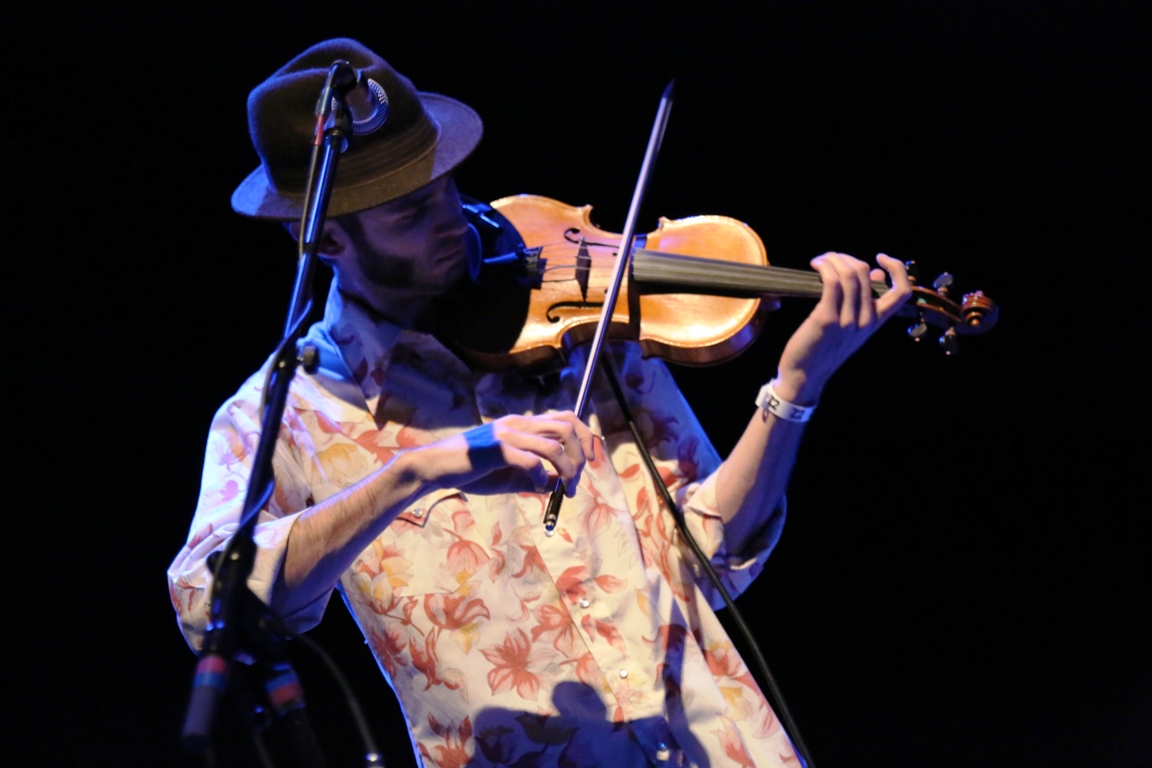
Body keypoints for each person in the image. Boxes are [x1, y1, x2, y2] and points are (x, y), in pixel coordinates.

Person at [168, 38, 911, 767]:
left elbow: (711, 555)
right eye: (409, 213)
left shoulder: (571, 323)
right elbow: (209, 605)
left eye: (447, 190)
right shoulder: (286, 413)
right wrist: (413, 473)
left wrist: (794, 389)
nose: (453, 222)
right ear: (324, 238)